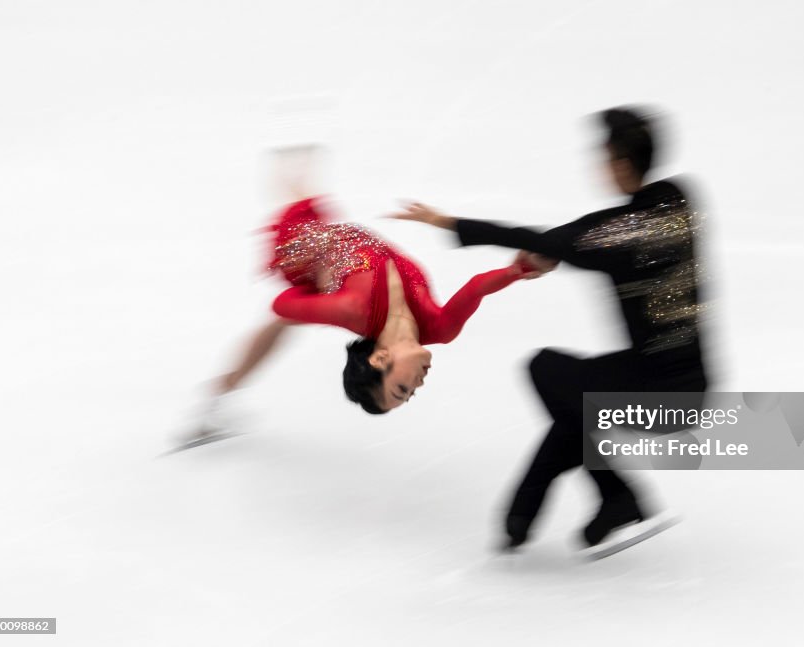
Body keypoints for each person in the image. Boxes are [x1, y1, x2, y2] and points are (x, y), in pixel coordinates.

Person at [391, 107, 710, 556]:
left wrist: (447, 223)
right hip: (693, 384)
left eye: (605, 157)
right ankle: (522, 516)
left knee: (549, 372)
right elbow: (581, 237)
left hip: (656, 396)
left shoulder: (615, 236)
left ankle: (619, 497)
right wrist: (553, 249)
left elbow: (558, 239)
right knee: (573, 403)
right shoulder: (679, 200)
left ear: (619, 163)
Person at [186, 162, 545, 442]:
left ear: (381, 358)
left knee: (295, 177)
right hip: (339, 246)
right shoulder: (440, 329)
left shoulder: (351, 310)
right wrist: (518, 270)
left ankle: (221, 392)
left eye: (402, 388)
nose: (418, 385)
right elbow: (475, 288)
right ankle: (222, 392)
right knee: (301, 175)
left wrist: (314, 301)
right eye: (411, 394)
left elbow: (281, 305)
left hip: (304, 249)